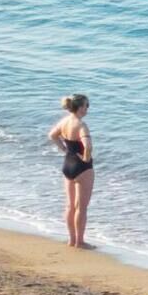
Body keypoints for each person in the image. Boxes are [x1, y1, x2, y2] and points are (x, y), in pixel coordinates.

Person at [49, 93, 95, 248]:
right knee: (81, 208)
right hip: (82, 168)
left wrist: (63, 149)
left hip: (68, 165)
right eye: (86, 105)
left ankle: (71, 239)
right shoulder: (81, 125)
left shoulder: (64, 121)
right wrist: (86, 159)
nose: (87, 109)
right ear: (80, 108)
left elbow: (52, 135)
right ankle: (80, 242)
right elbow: (87, 145)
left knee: (70, 206)